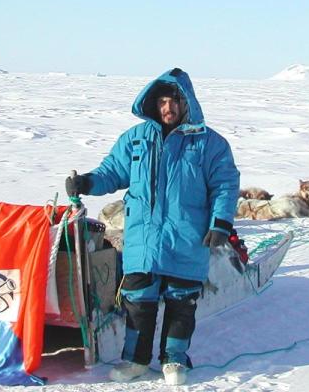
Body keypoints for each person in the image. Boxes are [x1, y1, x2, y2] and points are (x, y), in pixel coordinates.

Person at [66, 68, 239, 385]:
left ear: (187, 103)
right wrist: (87, 182)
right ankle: (136, 361)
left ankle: (174, 360)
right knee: (138, 301)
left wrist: (221, 223)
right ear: (152, 104)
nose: (167, 109)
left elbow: (225, 185)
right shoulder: (136, 139)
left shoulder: (210, 143)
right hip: (144, 237)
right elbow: (112, 172)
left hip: (187, 236)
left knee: (181, 302)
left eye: (174, 101)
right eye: (161, 102)